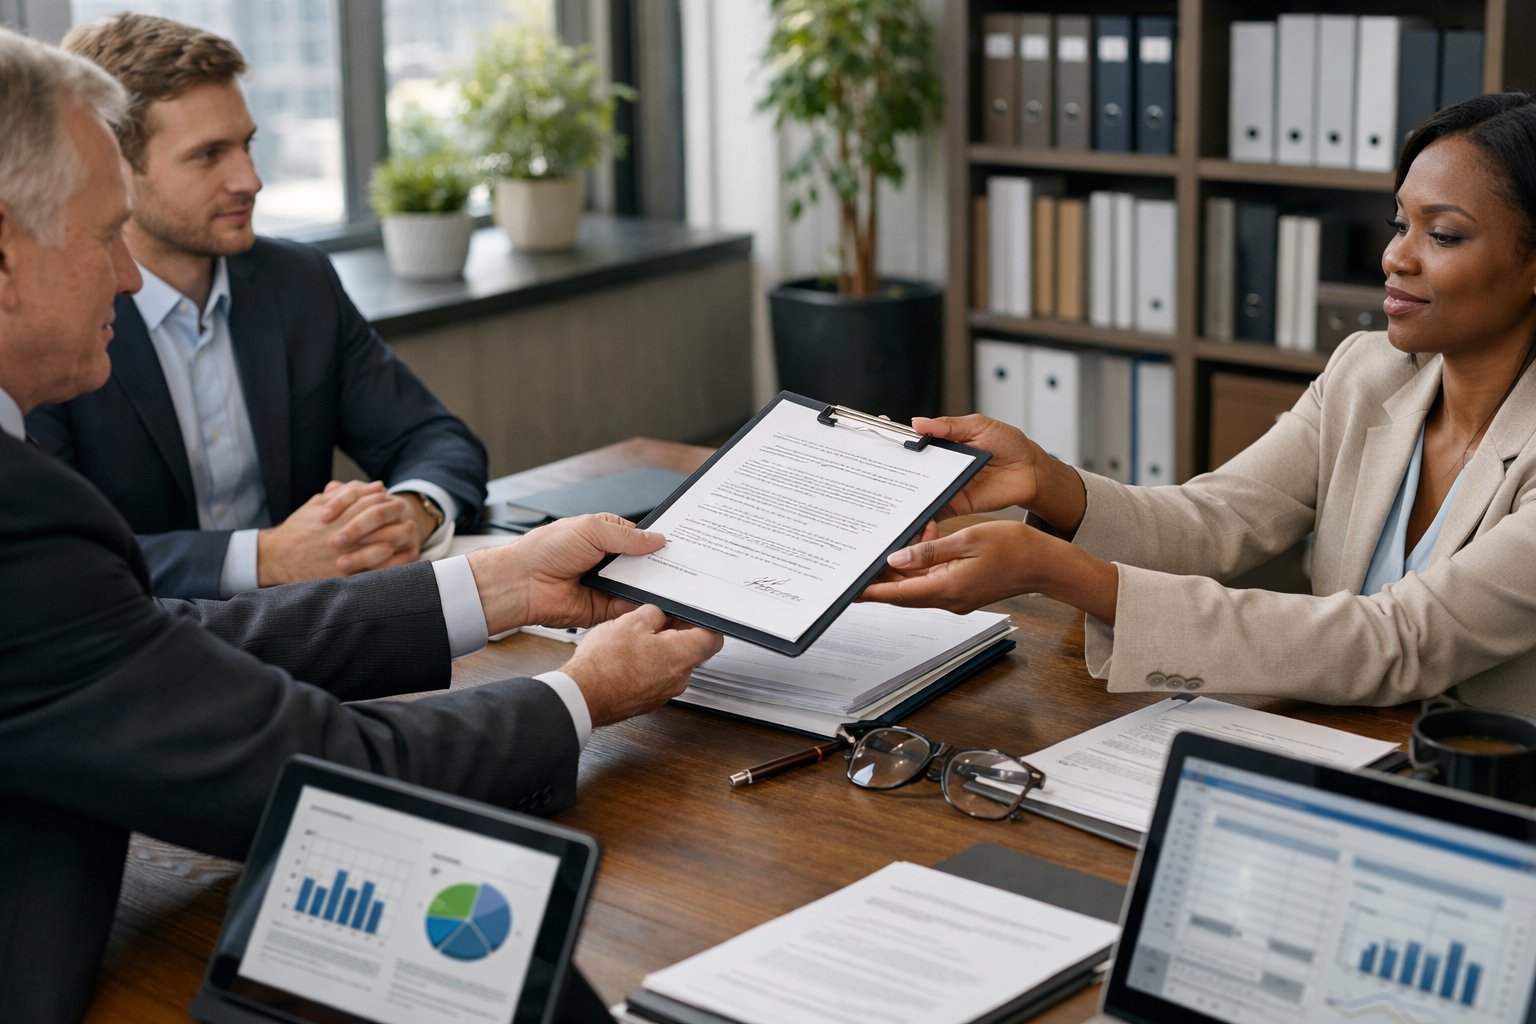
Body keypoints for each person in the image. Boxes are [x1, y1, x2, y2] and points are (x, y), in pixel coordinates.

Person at [0, 28, 722, 1022]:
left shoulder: (289, 287)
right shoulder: (15, 508)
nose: (122, 277)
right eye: (97, 238)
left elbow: (162, 643)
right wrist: (580, 695)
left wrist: (501, 583)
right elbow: (321, 765)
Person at [866, 92, 1536, 714]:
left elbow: (1401, 640)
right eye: (1400, 225)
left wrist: (1061, 573)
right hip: (1339, 748)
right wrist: (1048, 481)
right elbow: (1216, 520)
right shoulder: (1369, 372)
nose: (1395, 258)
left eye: (1442, 235)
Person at [25, 11, 490, 601]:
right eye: (208, 155)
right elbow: (58, 561)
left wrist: (411, 510)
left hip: (319, 632)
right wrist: (266, 557)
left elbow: (435, 437)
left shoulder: (298, 281)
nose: (250, 179)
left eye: (246, 145)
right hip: (148, 651)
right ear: (116, 166)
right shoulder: (50, 322)